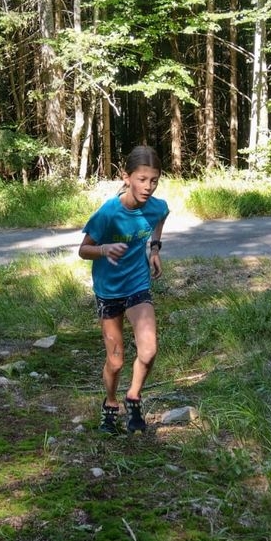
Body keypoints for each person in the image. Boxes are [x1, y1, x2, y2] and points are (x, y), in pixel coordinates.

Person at [79, 145, 169, 434]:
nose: (148, 187)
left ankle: (133, 397)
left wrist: (154, 249)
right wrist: (104, 249)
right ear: (126, 177)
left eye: (154, 180)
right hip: (108, 290)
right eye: (142, 179)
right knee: (116, 361)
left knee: (149, 350)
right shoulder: (108, 213)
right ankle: (110, 403)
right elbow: (83, 250)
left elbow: (162, 215)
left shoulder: (155, 206)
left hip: (137, 284)